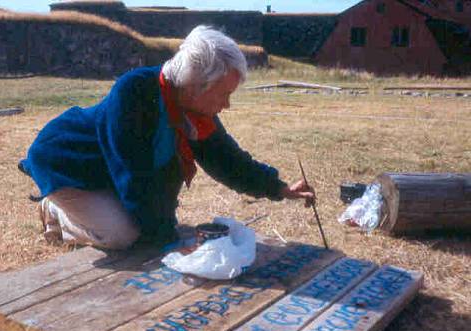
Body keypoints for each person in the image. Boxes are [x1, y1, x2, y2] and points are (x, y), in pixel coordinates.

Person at [18, 25, 315, 250]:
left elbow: (226, 160)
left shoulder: (192, 107)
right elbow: (135, 182)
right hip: (67, 163)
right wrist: (169, 242)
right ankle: (55, 210)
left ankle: (86, 210)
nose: (227, 105)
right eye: (224, 94)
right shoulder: (134, 93)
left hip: (107, 172)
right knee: (123, 235)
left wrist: (278, 188)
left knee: (137, 225)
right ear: (196, 86)